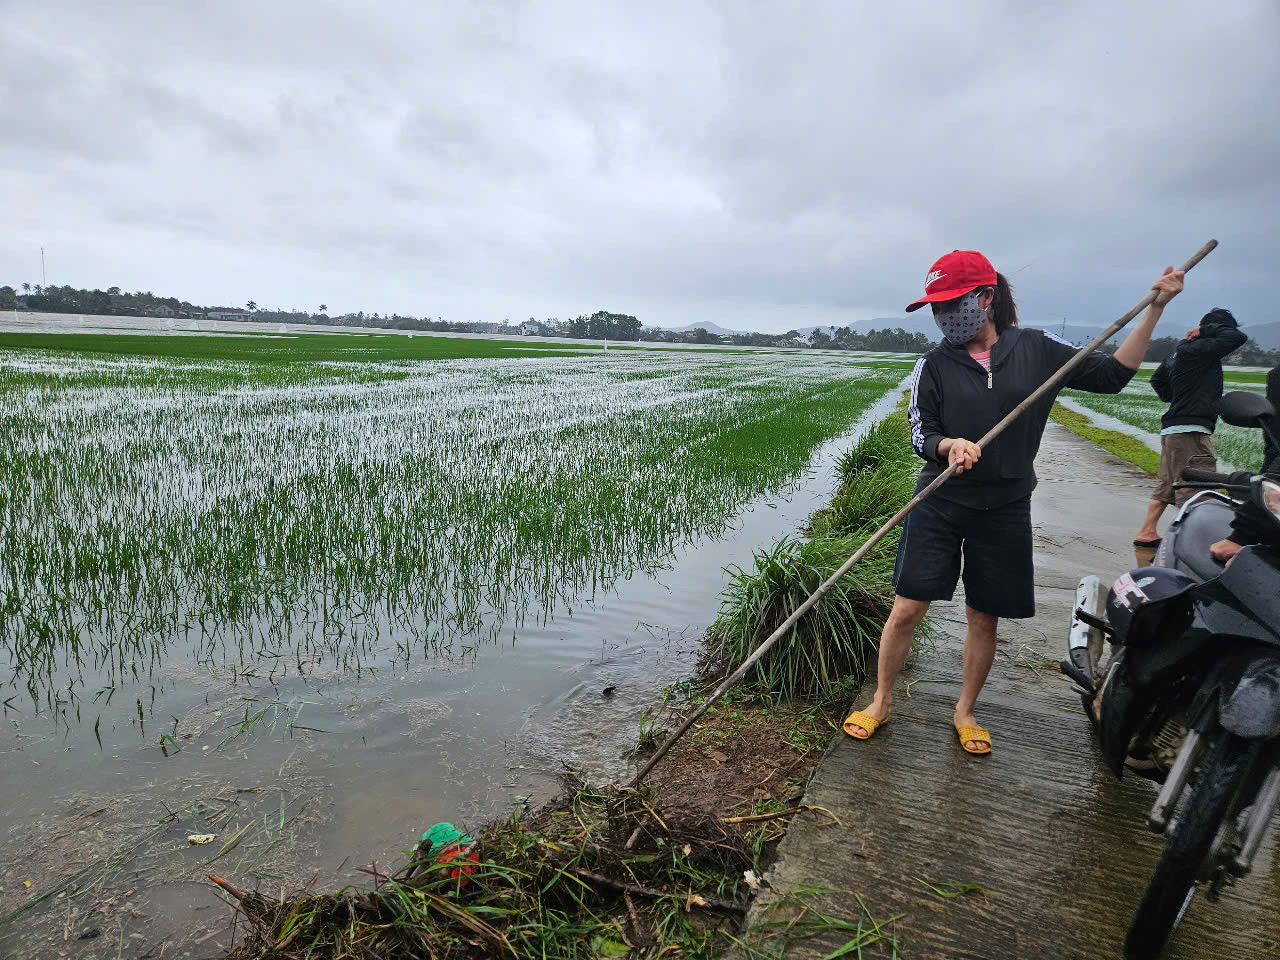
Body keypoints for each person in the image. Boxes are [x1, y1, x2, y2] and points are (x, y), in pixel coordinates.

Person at [843, 250, 1184, 754]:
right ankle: (881, 699)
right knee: (908, 606)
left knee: (985, 615)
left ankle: (965, 711)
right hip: (942, 500)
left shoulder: (1037, 348)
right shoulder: (933, 365)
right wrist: (948, 446)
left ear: (984, 298)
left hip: (1005, 505)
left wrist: (1154, 308)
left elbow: (1112, 376)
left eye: (950, 304)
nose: (942, 317)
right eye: (934, 308)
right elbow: (922, 432)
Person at [1132, 309, 1247, 565]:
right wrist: (1208, 331)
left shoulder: (1179, 349)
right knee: (1197, 489)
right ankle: (1191, 547)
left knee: (1167, 484)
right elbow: (1237, 338)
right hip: (1191, 429)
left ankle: (1147, 531)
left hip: (1173, 427)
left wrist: (1180, 398)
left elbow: (1157, 380)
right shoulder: (1202, 347)